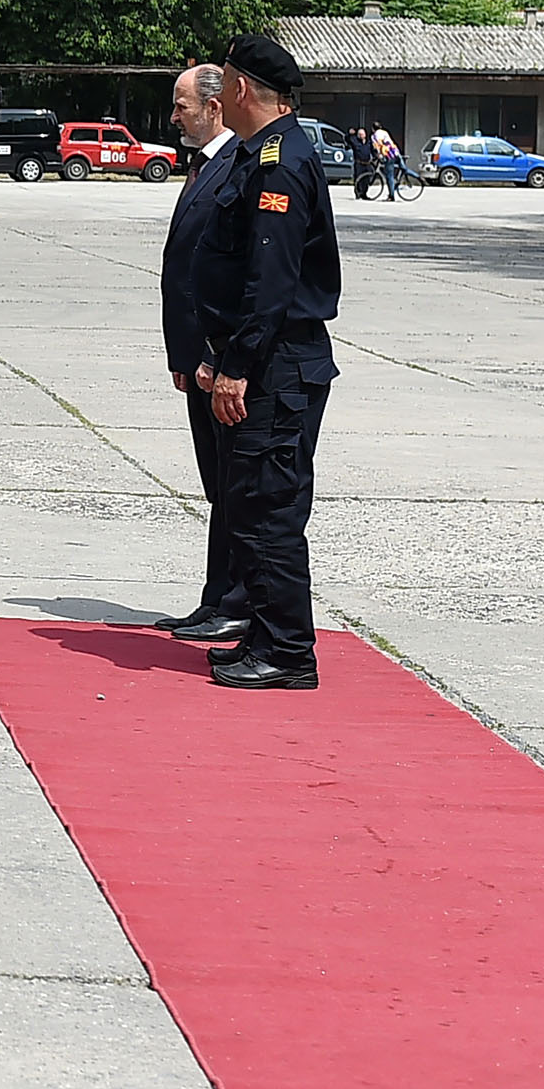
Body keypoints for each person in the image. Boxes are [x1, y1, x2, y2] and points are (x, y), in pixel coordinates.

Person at [190, 34, 341, 692]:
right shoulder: (262, 155)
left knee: (270, 506)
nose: (217, 91)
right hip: (262, 358)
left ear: (243, 89)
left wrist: (238, 366)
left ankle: (287, 649)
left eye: (223, 80)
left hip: (278, 365)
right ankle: (262, 630)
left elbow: (271, 281)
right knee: (249, 504)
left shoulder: (280, 163)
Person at [152, 63, 249, 648]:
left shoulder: (237, 164)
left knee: (234, 482)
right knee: (217, 483)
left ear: (215, 107)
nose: (174, 116)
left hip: (218, 357)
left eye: (182, 105)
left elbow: (227, 276)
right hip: (195, 356)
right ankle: (217, 597)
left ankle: (236, 602)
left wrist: (212, 353)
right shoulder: (206, 165)